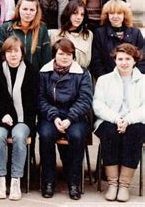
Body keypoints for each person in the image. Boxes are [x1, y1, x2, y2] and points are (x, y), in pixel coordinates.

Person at [38, 38, 93, 200]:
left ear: (73, 56)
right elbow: (41, 99)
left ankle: (74, 182)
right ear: (55, 54)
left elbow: (85, 100)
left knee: (76, 136)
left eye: (69, 54)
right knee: (46, 135)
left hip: (75, 117)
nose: (65, 57)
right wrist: (54, 116)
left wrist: (69, 118)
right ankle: (48, 181)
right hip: (51, 116)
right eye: (61, 53)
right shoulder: (44, 72)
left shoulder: (82, 73)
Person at [0, 36, 38, 201]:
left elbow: (32, 101)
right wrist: (3, 115)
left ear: (22, 53)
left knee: (19, 135)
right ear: (4, 54)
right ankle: (1, 179)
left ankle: (16, 180)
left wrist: (14, 117)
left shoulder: (31, 71)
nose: (13, 55)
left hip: (23, 118)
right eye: (9, 51)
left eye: (16, 51)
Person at [93, 43, 145, 202]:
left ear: (134, 60)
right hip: (109, 120)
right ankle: (112, 184)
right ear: (115, 60)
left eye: (128, 59)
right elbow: (98, 105)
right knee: (110, 132)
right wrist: (117, 119)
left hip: (135, 121)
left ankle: (124, 185)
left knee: (135, 133)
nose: (124, 62)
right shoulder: (104, 80)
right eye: (120, 58)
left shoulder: (143, 80)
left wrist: (128, 120)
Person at [0, 0, 51, 72]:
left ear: (37, 11)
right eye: (25, 9)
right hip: (10, 75)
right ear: (18, 9)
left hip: (34, 77)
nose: (28, 13)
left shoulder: (42, 29)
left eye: (32, 10)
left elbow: (46, 58)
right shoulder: (5, 28)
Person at [91, 0, 144, 78]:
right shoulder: (99, 33)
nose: (115, 16)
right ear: (107, 15)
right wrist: (106, 79)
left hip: (132, 80)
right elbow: (96, 60)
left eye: (119, 13)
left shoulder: (136, 33)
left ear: (124, 15)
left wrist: (133, 77)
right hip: (107, 80)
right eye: (112, 13)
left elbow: (142, 58)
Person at [50, 0, 93, 68]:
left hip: (82, 75)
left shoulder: (88, 35)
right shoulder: (55, 34)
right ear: (68, 14)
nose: (79, 17)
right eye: (75, 13)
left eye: (82, 14)